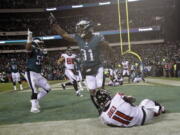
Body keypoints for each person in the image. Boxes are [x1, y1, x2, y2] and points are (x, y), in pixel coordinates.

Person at [49, 13, 114, 113]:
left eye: (81, 28)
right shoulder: (79, 39)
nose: (79, 30)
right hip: (88, 69)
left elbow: (107, 46)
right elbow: (64, 35)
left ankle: (108, 108)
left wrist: (110, 56)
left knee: (101, 90)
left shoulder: (97, 38)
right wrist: (55, 25)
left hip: (97, 67)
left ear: (87, 28)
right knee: (92, 92)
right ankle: (99, 110)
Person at [95, 90, 165, 127]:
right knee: (145, 101)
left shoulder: (104, 117)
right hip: (144, 115)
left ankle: (155, 111)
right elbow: (133, 100)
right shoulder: (116, 97)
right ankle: (160, 109)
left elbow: (112, 124)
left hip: (134, 123)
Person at [25, 29, 51, 113]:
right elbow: (27, 48)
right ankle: (33, 108)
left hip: (38, 74)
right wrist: (29, 38)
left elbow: (47, 62)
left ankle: (36, 100)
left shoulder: (40, 51)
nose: (42, 45)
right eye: (40, 43)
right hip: (30, 72)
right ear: (36, 43)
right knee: (34, 90)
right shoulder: (32, 49)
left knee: (48, 88)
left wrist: (46, 54)